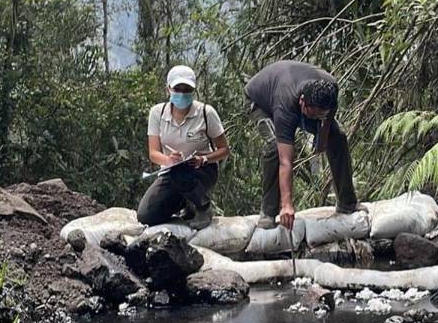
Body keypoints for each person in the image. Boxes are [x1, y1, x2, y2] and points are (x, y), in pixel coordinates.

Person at [244, 60, 363, 230]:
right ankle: (269, 212)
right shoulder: (285, 104)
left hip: (296, 94)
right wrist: (287, 205)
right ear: (302, 102)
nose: (315, 120)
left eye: (319, 116)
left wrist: (322, 140)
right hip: (259, 102)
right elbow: (286, 161)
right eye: (312, 115)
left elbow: (327, 120)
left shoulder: (330, 90)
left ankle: (348, 203)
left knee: (338, 138)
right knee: (274, 148)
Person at [137, 65, 230, 229]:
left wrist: (204, 158)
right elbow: (153, 153)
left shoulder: (206, 113)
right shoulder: (157, 113)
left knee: (181, 174)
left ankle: (203, 207)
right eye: (177, 89)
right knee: (146, 216)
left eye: (186, 89)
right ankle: (185, 203)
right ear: (168, 89)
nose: (181, 93)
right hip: (170, 173)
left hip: (202, 172)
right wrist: (168, 160)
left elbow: (224, 150)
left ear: (193, 91)